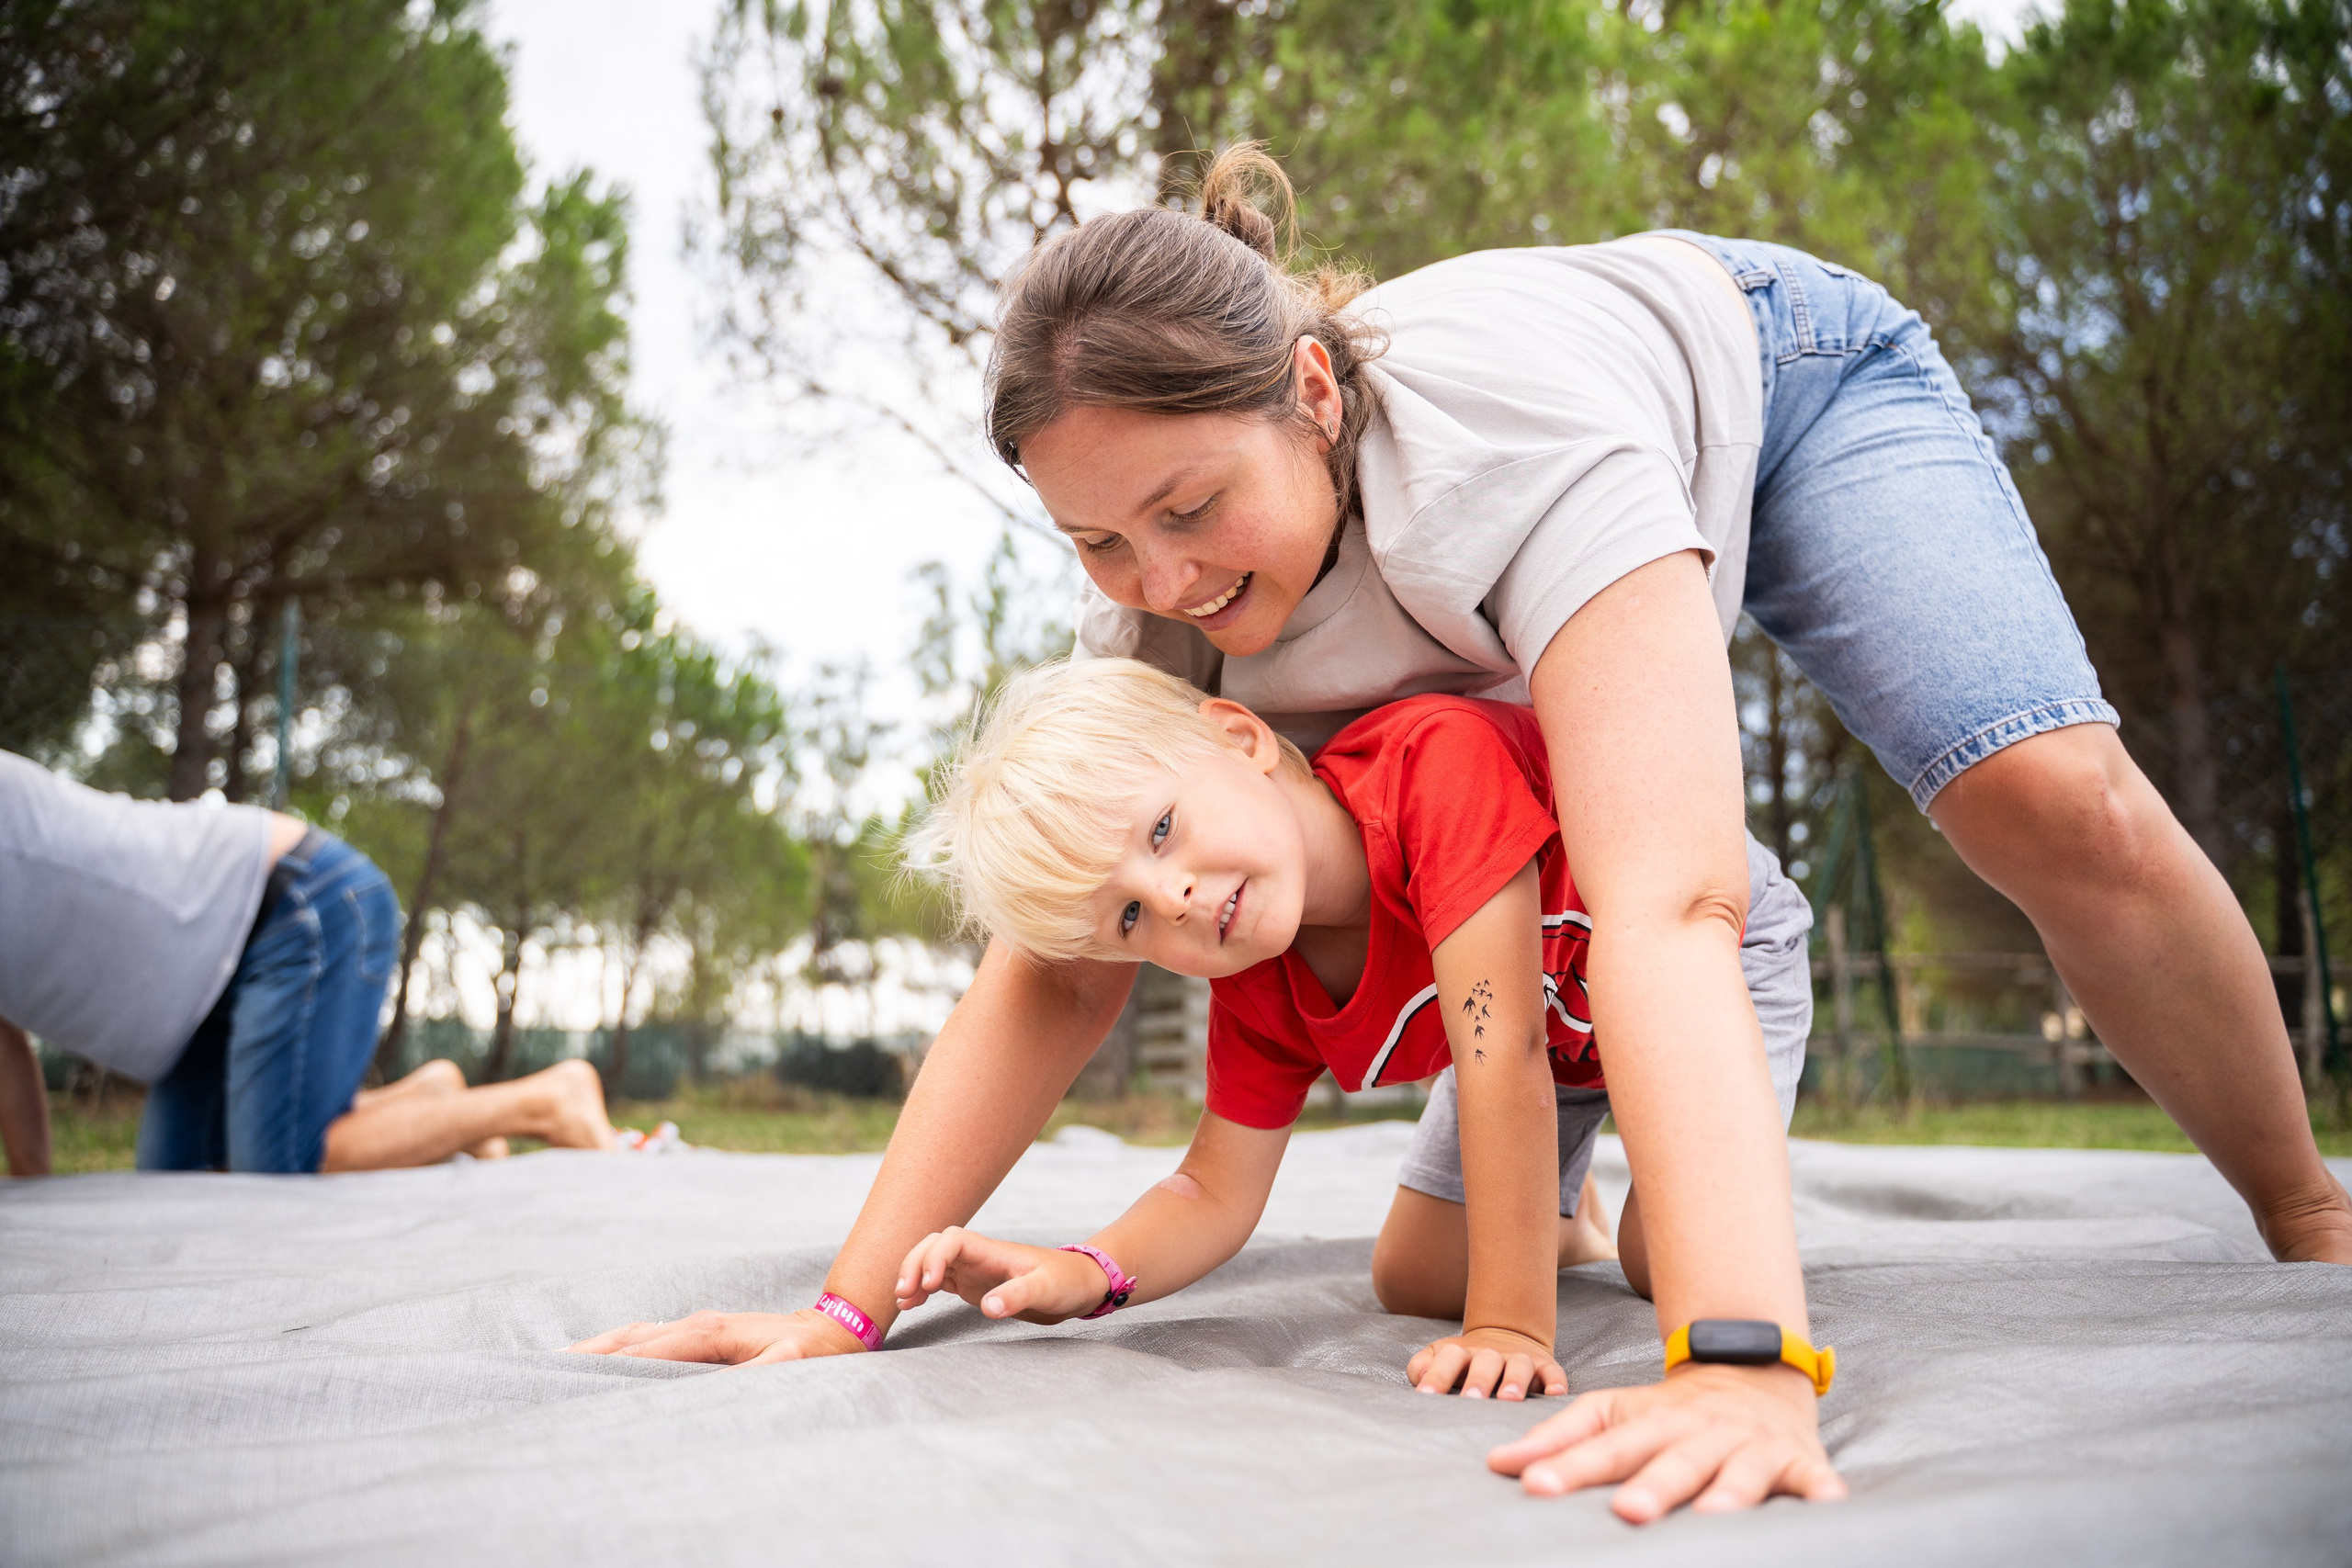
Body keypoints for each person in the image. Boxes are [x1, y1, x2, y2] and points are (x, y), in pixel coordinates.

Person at [578, 145, 2352, 1521]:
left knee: (2036, 792)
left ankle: (2303, 1199)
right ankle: (1576, 1190)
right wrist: (850, 1305)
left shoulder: (1510, 452)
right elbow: (1049, 971)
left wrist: (1740, 1357)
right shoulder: (1167, 630)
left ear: (1314, 395)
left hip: (1785, 380)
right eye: (1103, 546)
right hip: (1537, 921)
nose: (1166, 579)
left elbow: (1668, 900)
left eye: (1191, 508)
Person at [879, 659, 1822, 1415]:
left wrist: (1510, 1327)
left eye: (1162, 829)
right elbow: (1211, 1189)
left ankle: (1611, 1198)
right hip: (1540, 1042)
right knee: (1412, 1276)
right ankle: (1564, 1209)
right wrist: (1085, 1274)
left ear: (1239, 738)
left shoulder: (1431, 767)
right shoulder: (1258, 979)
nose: (1173, 898)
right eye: (1129, 919)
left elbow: (1503, 1057)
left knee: (1664, 1265)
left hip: (1710, 967)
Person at [0, 750, 616, 1177]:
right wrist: (41, 1197)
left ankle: (546, 1099)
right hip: (203, 989)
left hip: (297, 901)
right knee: (181, 1182)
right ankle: (429, 1099)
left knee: (280, 1164)